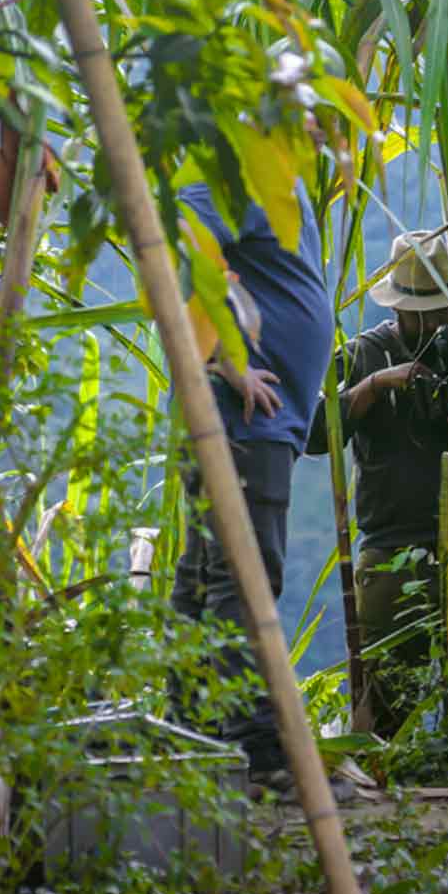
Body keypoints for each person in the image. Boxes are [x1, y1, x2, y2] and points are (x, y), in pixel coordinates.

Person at [170, 180, 329, 793]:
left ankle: (190, 731)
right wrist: (226, 360)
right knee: (245, 576)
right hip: (242, 416)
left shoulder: (275, 173)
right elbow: (181, 241)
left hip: (262, 420)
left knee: (208, 574)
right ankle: (259, 750)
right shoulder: (226, 167)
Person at [304, 230, 448, 736]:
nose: (431, 323)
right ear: (398, 307)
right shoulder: (364, 354)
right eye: (420, 311)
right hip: (391, 547)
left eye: (439, 311)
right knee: (385, 696)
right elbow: (316, 434)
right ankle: (387, 785)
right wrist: (375, 386)